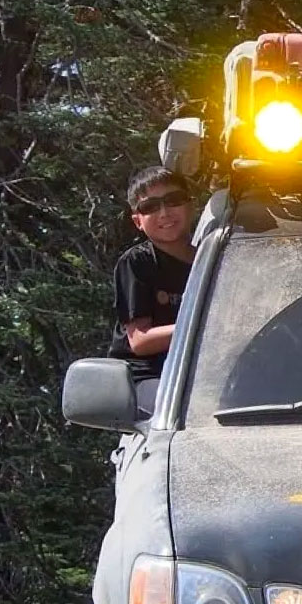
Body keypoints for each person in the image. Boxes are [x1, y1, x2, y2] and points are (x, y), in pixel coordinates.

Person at [106, 166, 197, 417]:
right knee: (184, 414)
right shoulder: (137, 263)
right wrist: (203, 327)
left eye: (173, 200)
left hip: (202, 375)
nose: (165, 213)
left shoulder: (212, 260)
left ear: (191, 205)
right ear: (137, 221)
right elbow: (140, 341)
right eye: (151, 207)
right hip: (149, 377)